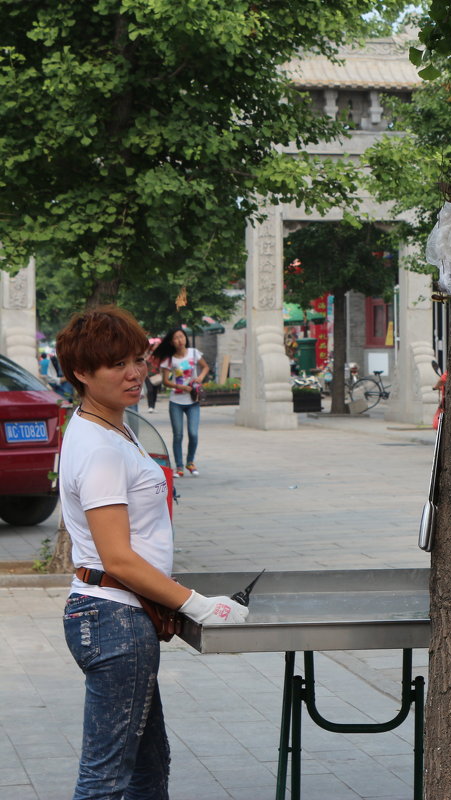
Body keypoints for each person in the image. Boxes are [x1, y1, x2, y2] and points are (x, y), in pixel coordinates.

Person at [56, 306, 247, 799]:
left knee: (146, 766)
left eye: (139, 359)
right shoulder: (100, 446)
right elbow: (116, 558)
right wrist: (198, 605)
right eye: (117, 364)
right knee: (106, 779)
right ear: (81, 373)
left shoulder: (109, 426)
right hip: (113, 618)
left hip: (116, 614)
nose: (136, 373)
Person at [154, 327, 209, 476]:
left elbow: (205, 367)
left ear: (185, 338)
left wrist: (200, 378)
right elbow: (165, 381)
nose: (180, 340)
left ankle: (190, 462)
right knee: (177, 434)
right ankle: (179, 467)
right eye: (176, 338)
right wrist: (179, 386)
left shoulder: (194, 353)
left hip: (193, 400)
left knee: (193, 433)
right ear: (172, 342)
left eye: (182, 337)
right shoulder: (169, 360)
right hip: (176, 401)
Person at [143, 338, 162, 413]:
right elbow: (143, 361)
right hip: (148, 375)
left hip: (156, 375)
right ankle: (150, 406)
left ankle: (153, 406)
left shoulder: (159, 355)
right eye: (156, 345)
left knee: (155, 391)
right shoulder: (147, 353)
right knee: (150, 390)